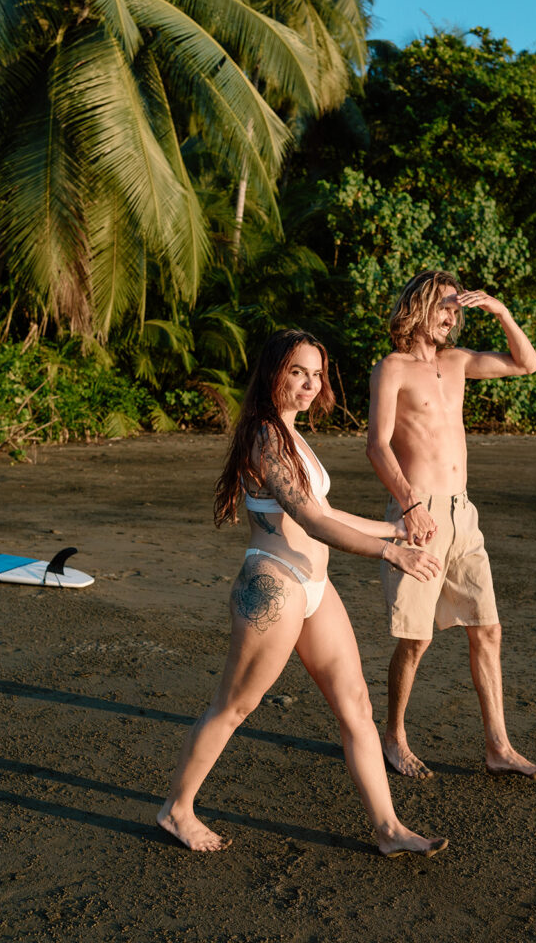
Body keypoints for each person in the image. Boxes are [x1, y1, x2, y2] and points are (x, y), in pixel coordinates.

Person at [157, 329, 448, 856]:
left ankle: (388, 829)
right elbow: (310, 519)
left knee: (356, 703)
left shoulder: (291, 435)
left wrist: (397, 528)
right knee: (234, 707)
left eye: (317, 373)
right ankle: (177, 809)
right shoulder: (265, 437)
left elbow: (326, 510)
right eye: (298, 372)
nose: (311, 384)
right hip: (274, 585)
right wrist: (392, 552)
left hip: (314, 587)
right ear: (274, 373)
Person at [367, 271, 536, 782]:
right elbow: (377, 445)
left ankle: (499, 747)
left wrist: (502, 313)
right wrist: (409, 504)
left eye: (457, 309)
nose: (452, 317)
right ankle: (394, 737)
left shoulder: (457, 363)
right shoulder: (393, 369)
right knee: (416, 639)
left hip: (462, 514)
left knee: (488, 629)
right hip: (418, 517)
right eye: (443, 307)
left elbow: (527, 363)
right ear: (416, 307)